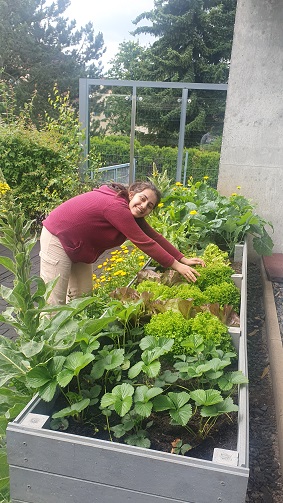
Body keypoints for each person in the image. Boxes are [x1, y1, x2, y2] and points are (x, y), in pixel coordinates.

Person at [39, 181, 205, 305]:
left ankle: (71, 339)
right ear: (132, 194)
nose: (143, 206)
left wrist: (182, 258)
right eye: (142, 199)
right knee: (54, 302)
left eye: (149, 206)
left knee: (83, 297)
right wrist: (177, 266)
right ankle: (46, 348)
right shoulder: (116, 207)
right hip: (58, 238)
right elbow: (145, 243)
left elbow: (154, 237)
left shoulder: (131, 211)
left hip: (78, 245)